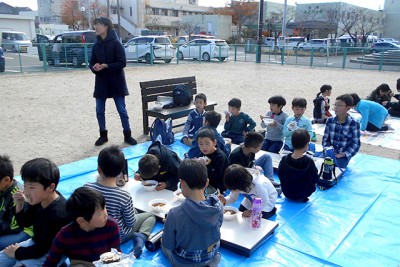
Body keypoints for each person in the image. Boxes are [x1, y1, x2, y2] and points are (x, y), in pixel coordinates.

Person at [86, 146, 155, 258]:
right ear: (120, 170)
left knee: (134, 211)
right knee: (150, 216)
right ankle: (141, 236)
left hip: (94, 232)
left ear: (99, 169)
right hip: (117, 236)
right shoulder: (123, 196)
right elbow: (130, 222)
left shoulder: (87, 188)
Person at [0, 158, 70, 267]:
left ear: (50, 187)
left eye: (31, 187)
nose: (26, 192)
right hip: (36, 243)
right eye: (25, 185)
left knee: (20, 264)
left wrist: (17, 252)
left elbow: (42, 249)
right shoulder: (38, 200)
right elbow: (25, 224)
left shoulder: (58, 214)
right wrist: (19, 205)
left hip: (53, 252)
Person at [162, 159, 223, 267]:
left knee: (163, 244)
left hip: (185, 262)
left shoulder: (175, 214)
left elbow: (169, 244)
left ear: (182, 183)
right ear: (207, 183)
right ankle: (211, 262)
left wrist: (169, 224)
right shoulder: (218, 205)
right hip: (210, 254)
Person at [43, 187, 120, 266]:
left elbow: (116, 255)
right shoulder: (65, 236)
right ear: (81, 221)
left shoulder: (111, 226)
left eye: (104, 208)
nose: (106, 215)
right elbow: (50, 262)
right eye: (99, 214)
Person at [90, 17, 137, 146]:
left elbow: (122, 62)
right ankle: (103, 135)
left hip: (116, 82)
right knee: (99, 111)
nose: (96, 27)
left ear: (106, 27)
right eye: (95, 25)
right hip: (101, 82)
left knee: (122, 110)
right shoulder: (96, 45)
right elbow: (91, 63)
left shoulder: (116, 43)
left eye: (98, 25)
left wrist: (107, 66)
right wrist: (95, 68)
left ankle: (127, 135)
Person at [277, 129, 319, 202]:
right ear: (306, 145)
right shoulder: (309, 162)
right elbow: (314, 178)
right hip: (304, 194)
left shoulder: (284, 160)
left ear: (292, 143)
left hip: (287, 193)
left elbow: (280, 175)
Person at [0, 155, 32, 251]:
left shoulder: (18, 195)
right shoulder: (2, 188)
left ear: (6, 180)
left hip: (24, 229)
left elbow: (15, 226)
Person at [322, 94, 361, 168]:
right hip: (330, 153)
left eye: (339, 105)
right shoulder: (330, 121)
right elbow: (325, 139)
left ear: (348, 108)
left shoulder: (354, 123)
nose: (336, 107)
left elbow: (356, 144)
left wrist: (344, 154)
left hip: (343, 155)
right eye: (335, 104)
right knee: (317, 163)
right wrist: (327, 150)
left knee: (336, 167)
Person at [197, 127, 229, 193]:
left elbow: (216, 177)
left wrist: (208, 165)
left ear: (214, 142)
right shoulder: (203, 152)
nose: (204, 147)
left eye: (207, 143)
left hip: (217, 186)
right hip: (206, 181)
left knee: (198, 193)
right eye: (201, 144)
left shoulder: (220, 157)